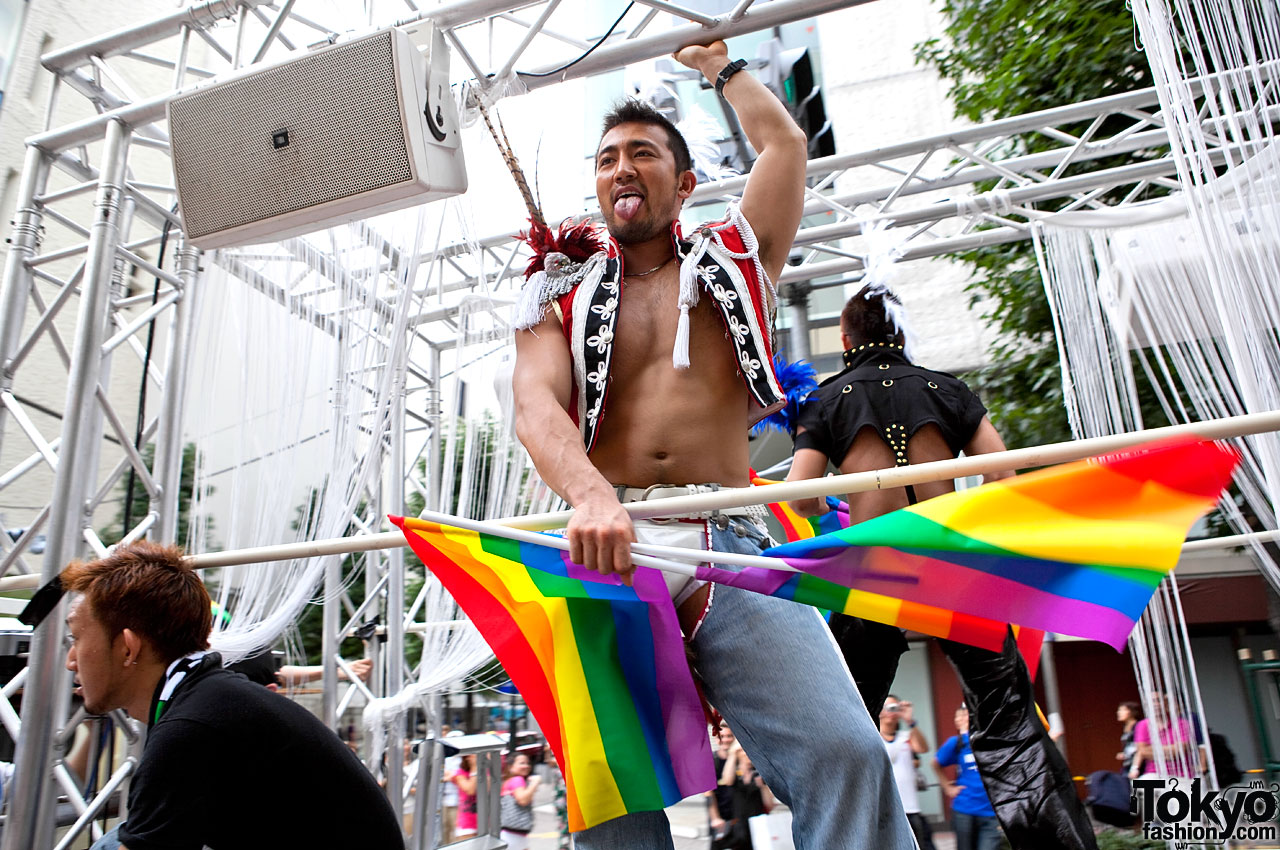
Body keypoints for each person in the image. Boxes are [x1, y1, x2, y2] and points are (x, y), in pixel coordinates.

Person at [511, 36, 914, 849]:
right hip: (606, 549)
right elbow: (535, 407)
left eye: (643, 153)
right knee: (614, 812)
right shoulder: (556, 291)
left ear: (684, 181)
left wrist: (717, 68)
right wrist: (590, 497)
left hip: (733, 544)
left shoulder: (735, 258)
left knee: (848, 754)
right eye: (607, 158)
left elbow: (785, 145)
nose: (622, 166)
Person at [786, 285, 1097, 850]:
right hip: (949, 564)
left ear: (845, 337)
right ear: (901, 335)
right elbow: (1001, 474)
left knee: (848, 727)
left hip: (873, 568)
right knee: (1009, 721)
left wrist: (843, 503)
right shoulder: (948, 388)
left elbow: (799, 497)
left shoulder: (826, 399)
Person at [60, 541, 402, 850]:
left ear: (127, 648)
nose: (70, 661)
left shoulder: (193, 726)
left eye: (76, 638)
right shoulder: (206, 700)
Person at [936, 705, 1001, 850]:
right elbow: (936, 763)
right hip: (964, 809)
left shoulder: (987, 739)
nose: (961, 718)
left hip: (990, 811)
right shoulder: (956, 742)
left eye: (965, 715)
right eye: (958, 716)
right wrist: (947, 787)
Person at [880, 695, 937, 850]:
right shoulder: (874, 737)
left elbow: (923, 748)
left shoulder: (906, 736)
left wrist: (910, 721)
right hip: (886, 811)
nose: (890, 712)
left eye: (894, 707)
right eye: (886, 707)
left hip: (911, 810)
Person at [715, 739, 775, 850]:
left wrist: (763, 787)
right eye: (743, 750)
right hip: (738, 826)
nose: (747, 754)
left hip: (758, 827)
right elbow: (727, 780)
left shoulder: (759, 773)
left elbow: (770, 805)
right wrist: (733, 754)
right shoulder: (734, 772)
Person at [499, 752, 540, 849]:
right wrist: (535, 783)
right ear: (510, 766)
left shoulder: (509, 780)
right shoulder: (517, 780)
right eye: (522, 763)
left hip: (512, 834)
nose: (526, 766)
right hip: (513, 834)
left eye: (527, 763)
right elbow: (523, 800)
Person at [708, 725, 738, 846]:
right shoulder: (711, 761)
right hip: (721, 819)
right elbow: (708, 793)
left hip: (740, 817)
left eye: (729, 736)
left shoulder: (741, 758)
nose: (725, 739)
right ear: (716, 739)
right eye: (722, 736)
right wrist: (715, 817)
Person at [449, 753, 478, 840]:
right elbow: (470, 790)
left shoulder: (486, 772)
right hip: (467, 824)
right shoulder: (460, 774)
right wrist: (474, 768)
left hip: (484, 822)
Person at [1116, 700, 1142, 776]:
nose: (1118, 712)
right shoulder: (1126, 727)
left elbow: (1139, 745)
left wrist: (1127, 754)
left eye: (1123, 710)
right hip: (1128, 763)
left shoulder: (1138, 726)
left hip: (1138, 765)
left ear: (1131, 712)